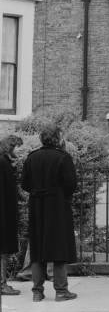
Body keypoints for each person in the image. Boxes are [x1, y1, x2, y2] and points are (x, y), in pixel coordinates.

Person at [22, 124, 78, 302]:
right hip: (57, 207)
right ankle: (61, 291)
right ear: (58, 138)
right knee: (59, 248)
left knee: (38, 249)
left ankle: (37, 292)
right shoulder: (63, 157)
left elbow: (25, 184)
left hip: (37, 207)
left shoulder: (32, 157)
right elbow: (71, 185)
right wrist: (60, 195)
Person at [1, 134, 23, 296]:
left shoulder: (5, 162)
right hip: (4, 214)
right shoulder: (3, 163)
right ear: (11, 147)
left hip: (5, 212)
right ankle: (2, 285)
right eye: (17, 147)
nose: (19, 151)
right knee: (3, 250)